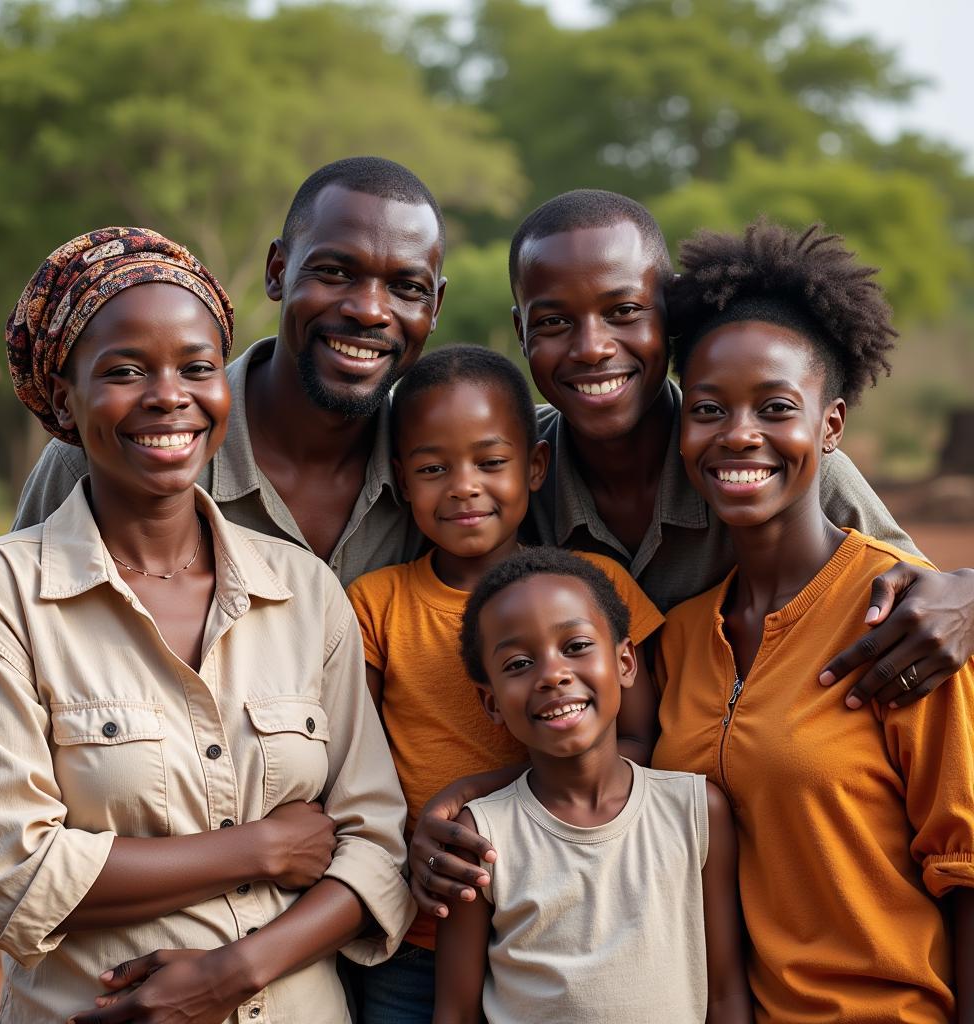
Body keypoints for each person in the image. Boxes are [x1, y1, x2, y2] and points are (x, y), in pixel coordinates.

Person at [408, 189, 974, 916]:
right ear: (520, 332)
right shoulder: (502, 472)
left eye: (623, 312)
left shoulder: (765, 451)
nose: (591, 348)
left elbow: (911, 595)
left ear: (667, 323)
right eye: (553, 323)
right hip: (579, 877)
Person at [0, 227, 413, 1024]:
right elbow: (11, 877)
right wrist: (263, 849)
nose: (171, 395)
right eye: (125, 371)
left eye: (197, 367)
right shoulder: (2, 593)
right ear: (63, 399)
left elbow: (375, 850)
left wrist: (230, 973)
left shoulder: (303, 591)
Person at [652, 219, 974, 1021]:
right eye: (708, 408)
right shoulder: (683, 637)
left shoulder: (907, 618)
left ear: (830, 427)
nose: (739, 435)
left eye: (775, 407)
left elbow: (967, 870)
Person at [347, 345, 663, 1022]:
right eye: (434, 469)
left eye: (491, 463)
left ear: (536, 466)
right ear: (402, 480)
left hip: (573, 917)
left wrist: (469, 795)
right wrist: (414, 841)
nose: (463, 487)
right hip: (423, 935)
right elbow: (354, 775)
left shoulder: (595, 589)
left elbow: (641, 740)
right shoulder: (375, 604)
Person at [12, 156, 447, 586]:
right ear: (278, 272)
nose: (369, 311)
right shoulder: (112, 448)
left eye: (407, 288)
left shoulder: (452, 470)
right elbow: (25, 608)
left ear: (435, 307)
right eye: (334, 272)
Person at [433, 548, 751, 1023]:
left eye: (576, 646)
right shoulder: (481, 836)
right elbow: (456, 1012)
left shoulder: (696, 811)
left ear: (625, 662)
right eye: (519, 664)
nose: (552, 675)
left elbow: (725, 993)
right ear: (492, 703)